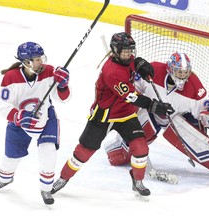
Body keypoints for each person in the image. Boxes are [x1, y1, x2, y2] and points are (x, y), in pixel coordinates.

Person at [50, 32, 175, 199]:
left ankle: (137, 181)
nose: (129, 54)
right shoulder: (111, 71)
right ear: (115, 50)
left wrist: (140, 65)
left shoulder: (128, 59)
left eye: (131, 51)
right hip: (103, 116)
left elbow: (133, 65)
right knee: (83, 152)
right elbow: (131, 96)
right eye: (125, 51)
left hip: (125, 114)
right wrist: (153, 105)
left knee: (141, 147)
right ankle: (63, 178)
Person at [103, 51, 209, 180]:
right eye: (179, 72)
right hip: (153, 112)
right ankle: (120, 149)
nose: (183, 76)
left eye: (185, 72)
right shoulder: (153, 70)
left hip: (182, 119)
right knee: (121, 153)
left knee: (196, 141)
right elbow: (132, 90)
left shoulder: (194, 85)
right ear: (170, 69)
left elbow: (207, 109)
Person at [0, 42, 71, 205]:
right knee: (11, 157)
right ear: (26, 62)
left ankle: (46, 189)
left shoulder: (49, 71)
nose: (41, 62)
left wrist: (63, 86)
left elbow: (64, 99)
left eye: (41, 58)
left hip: (46, 120)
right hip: (19, 124)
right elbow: (3, 107)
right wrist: (18, 116)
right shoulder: (11, 77)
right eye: (36, 59)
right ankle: (5, 178)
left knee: (48, 152)